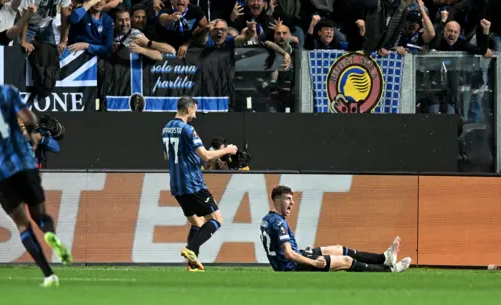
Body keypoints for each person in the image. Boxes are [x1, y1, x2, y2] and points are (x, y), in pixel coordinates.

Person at [0, 57, 71, 287]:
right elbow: (30, 118)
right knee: (40, 215)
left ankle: (49, 275)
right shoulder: (7, 92)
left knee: (22, 224)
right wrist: (31, 137)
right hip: (23, 161)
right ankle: (50, 233)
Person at [162, 96, 238, 271]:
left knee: (197, 223)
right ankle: (189, 249)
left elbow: (168, 156)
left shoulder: (166, 129)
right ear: (189, 109)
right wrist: (227, 150)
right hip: (193, 184)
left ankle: (192, 264)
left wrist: (192, 160)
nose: (195, 115)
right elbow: (205, 155)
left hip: (177, 186)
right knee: (216, 219)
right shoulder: (188, 129)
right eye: (194, 110)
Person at [261, 185, 411, 273]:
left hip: (288, 261)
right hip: (291, 267)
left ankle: (384, 258)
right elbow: (288, 253)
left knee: (337, 248)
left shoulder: (267, 219)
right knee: (345, 260)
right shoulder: (279, 223)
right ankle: (389, 270)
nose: (292, 203)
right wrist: (313, 263)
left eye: (292, 199)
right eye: (288, 199)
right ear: (277, 200)